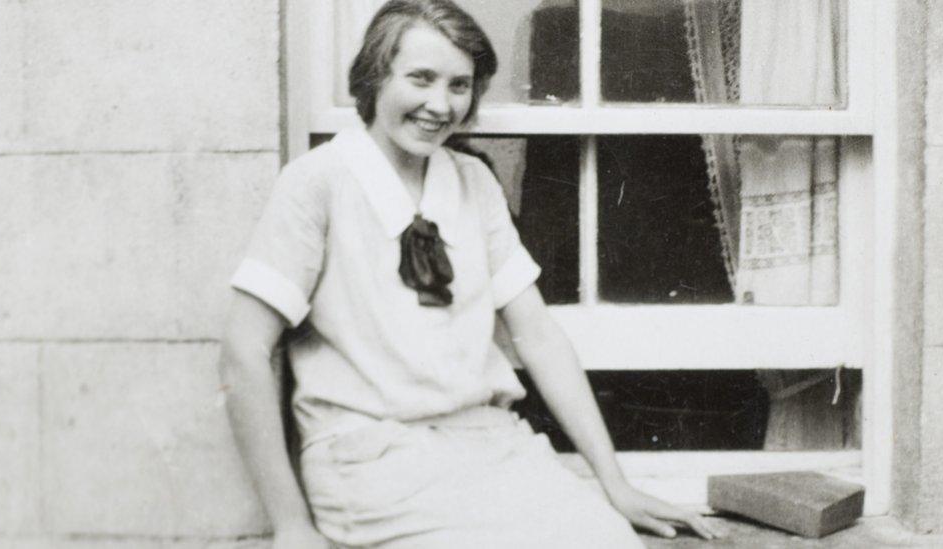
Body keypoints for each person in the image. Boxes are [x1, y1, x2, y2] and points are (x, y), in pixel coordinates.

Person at [219, 1, 722, 547]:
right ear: (374, 77)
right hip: (370, 459)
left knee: (609, 541)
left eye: (459, 85)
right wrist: (291, 525)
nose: (441, 105)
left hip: (489, 445)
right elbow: (243, 354)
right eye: (420, 79)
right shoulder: (317, 183)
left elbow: (539, 337)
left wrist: (616, 485)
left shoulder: (473, 183)